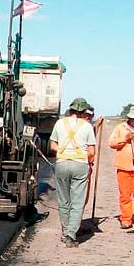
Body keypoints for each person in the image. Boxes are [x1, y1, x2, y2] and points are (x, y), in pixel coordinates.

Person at [49, 97, 97, 248]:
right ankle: (71, 234)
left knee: (64, 199)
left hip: (62, 164)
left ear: (71, 109)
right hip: (80, 165)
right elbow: (92, 151)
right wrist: (79, 154)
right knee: (77, 201)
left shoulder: (59, 123)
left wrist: (64, 152)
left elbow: (52, 146)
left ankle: (65, 232)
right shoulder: (87, 126)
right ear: (83, 111)